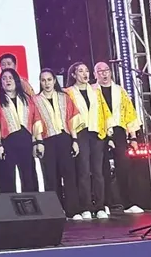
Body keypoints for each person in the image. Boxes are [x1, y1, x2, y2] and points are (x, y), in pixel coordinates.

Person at [93, 62, 143, 214]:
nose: (104, 73)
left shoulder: (119, 91)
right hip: (100, 131)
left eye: (106, 70)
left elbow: (129, 113)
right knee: (102, 168)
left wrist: (133, 137)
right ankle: (106, 203)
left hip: (119, 130)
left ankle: (128, 203)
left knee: (123, 166)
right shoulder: (92, 90)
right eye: (100, 71)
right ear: (95, 74)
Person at [65, 62, 112, 220]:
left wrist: (109, 131)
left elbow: (104, 111)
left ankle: (100, 206)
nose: (85, 74)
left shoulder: (95, 91)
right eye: (80, 71)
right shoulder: (69, 92)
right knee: (84, 171)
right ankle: (86, 206)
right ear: (73, 75)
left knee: (98, 171)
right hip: (80, 132)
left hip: (96, 131)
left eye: (86, 70)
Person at [33, 69, 81, 220]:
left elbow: (72, 120)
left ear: (54, 81)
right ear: (40, 82)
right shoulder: (35, 100)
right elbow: (35, 122)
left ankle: (73, 210)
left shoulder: (64, 97)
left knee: (69, 175)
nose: (46, 83)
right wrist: (39, 142)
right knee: (51, 177)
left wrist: (75, 140)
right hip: (47, 140)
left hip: (64, 138)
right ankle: (56, 211)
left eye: (49, 79)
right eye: (43, 80)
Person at [0, 68, 41, 194]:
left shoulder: (27, 99)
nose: (7, 81)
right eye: (4, 78)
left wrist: (38, 142)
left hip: (26, 140)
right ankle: (8, 206)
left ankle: (30, 204)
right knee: (6, 177)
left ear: (16, 80)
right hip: (6, 142)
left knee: (29, 176)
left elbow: (36, 120)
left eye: (10, 78)